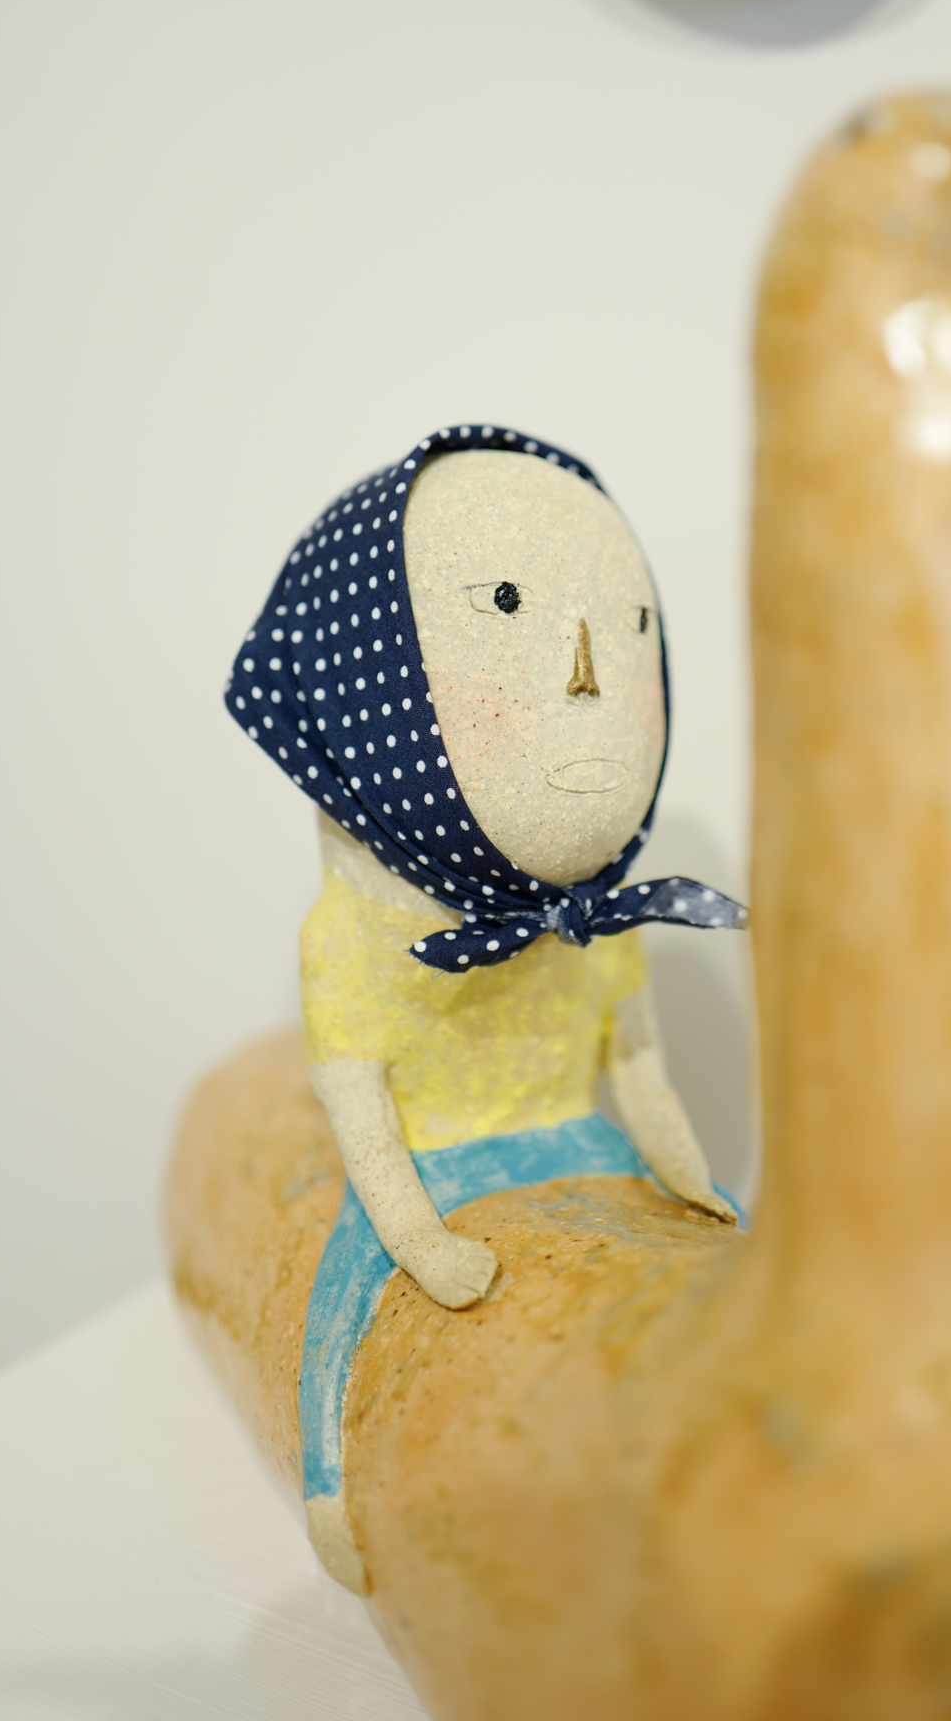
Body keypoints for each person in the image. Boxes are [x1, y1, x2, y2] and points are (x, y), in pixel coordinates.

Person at [226, 425, 746, 1587]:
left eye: (631, 625)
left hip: (585, 1141)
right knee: (352, 1285)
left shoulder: (590, 912)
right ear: (362, 696)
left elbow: (640, 1071)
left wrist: (687, 1169)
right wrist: (424, 1241)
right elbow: (365, 1123)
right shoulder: (347, 945)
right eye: (505, 603)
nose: (589, 673)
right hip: (436, 1163)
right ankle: (330, 1477)